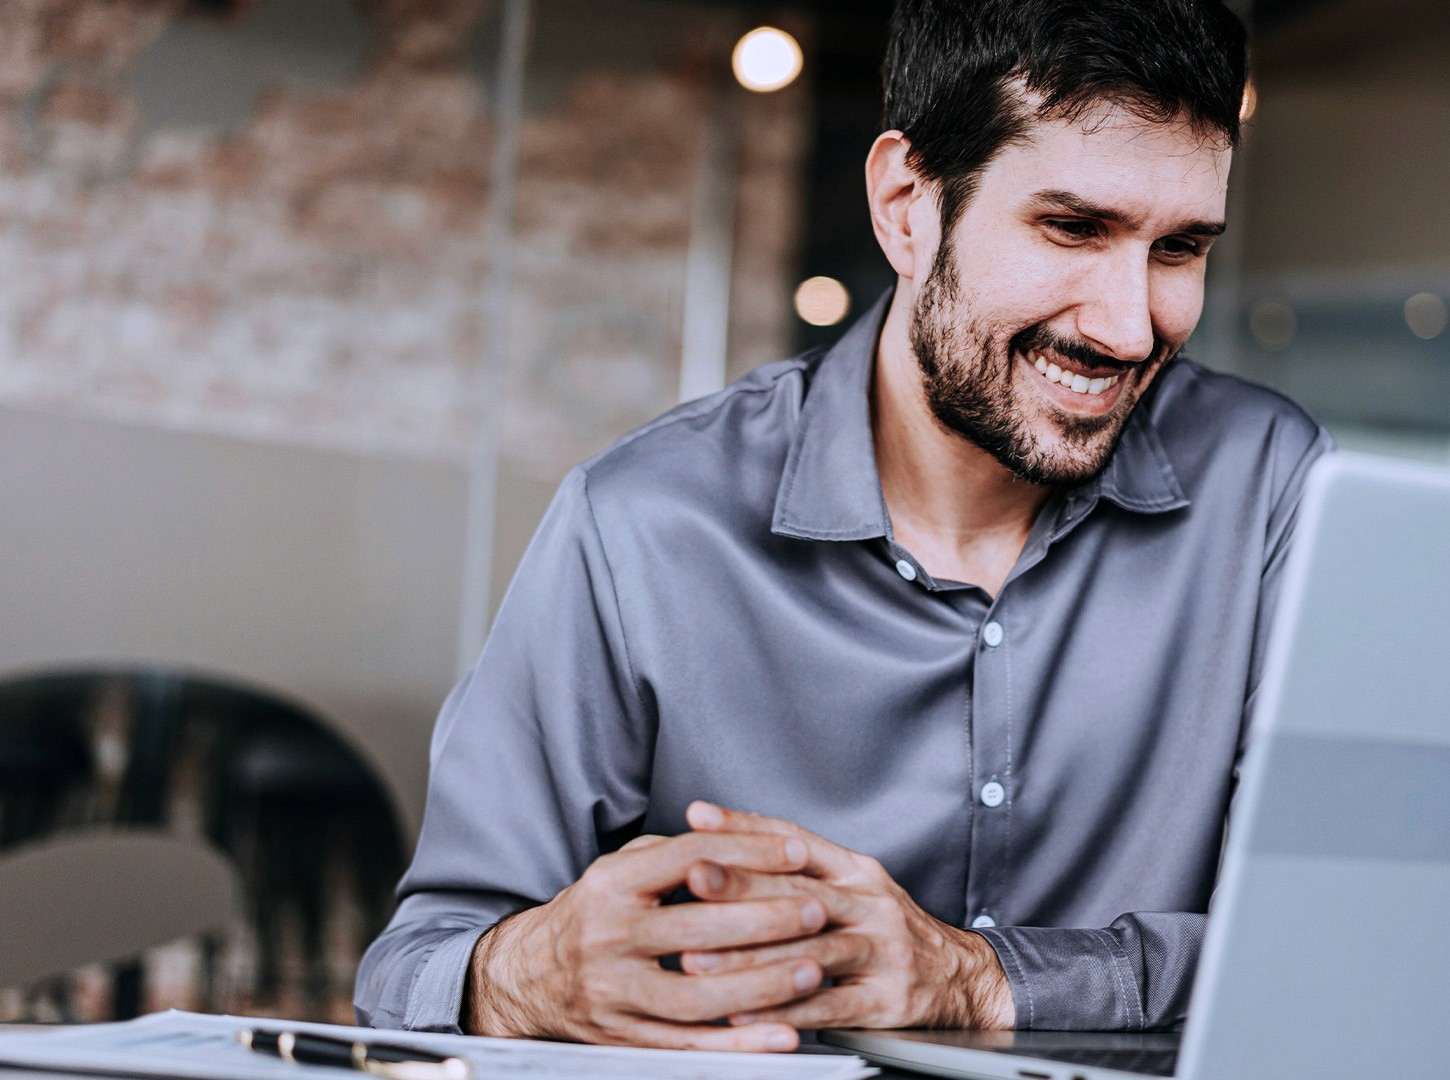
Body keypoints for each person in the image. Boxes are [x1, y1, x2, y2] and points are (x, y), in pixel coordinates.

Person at [355, 0, 1328, 1051]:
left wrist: (976, 981)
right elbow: (416, 963)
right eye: (1072, 228)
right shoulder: (645, 523)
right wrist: (534, 974)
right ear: (907, 205)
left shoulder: (1272, 492)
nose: (1130, 324)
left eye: (1179, 249)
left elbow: (1342, 948)